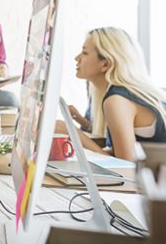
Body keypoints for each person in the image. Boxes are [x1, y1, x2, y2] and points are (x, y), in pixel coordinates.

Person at [57, 27, 166, 161]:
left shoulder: (117, 99)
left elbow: (126, 166)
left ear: (106, 64)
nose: (77, 58)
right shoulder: (122, 93)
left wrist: (71, 131)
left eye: (84, 53)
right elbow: (120, 154)